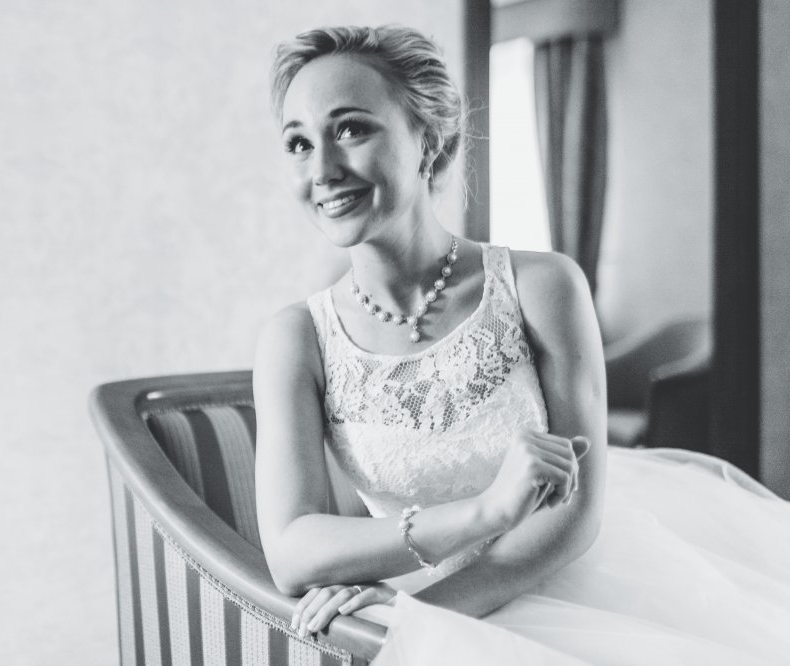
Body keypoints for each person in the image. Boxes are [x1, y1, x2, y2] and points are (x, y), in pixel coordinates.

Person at [253, 23, 790, 666]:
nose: (322, 170)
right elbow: (291, 550)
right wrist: (482, 514)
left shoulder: (543, 286)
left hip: (569, 591)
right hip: (407, 609)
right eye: (298, 142)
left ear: (429, 138)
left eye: (350, 129)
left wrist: (424, 621)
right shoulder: (296, 339)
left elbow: (575, 515)